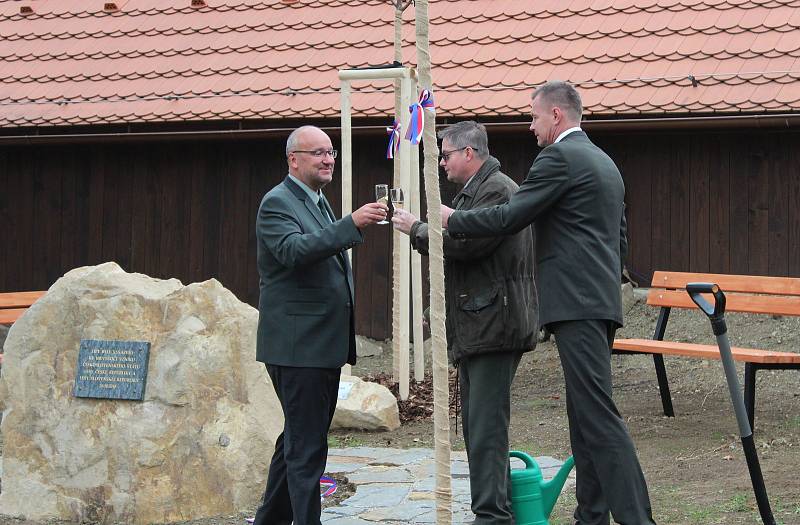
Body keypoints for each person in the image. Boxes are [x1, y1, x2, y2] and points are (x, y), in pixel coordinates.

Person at [442, 82, 656, 525]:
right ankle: (590, 516)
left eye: (534, 117)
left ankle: (638, 519)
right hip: (597, 303)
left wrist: (452, 218)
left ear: (556, 116)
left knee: (597, 416)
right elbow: (619, 239)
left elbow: (510, 217)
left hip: (575, 304)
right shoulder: (605, 162)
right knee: (584, 416)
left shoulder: (559, 157)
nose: (531, 125)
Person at [392, 121, 538, 525]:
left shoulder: (495, 190)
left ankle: (492, 516)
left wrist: (416, 229)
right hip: (485, 324)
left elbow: (466, 245)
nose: (441, 162)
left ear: (469, 154)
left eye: (446, 154)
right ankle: (494, 509)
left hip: (495, 324)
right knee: (479, 425)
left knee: (486, 426)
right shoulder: (481, 189)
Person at [253, 125, 387, 525]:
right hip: (298, 347)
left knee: (296, 439)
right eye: (318, 153)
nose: (328, 159)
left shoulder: (315, 200)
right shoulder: (276, 203)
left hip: (319, 345)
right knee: (307, 447)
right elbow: (293, 251)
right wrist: (352, 225)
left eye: (330, 152)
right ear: (294, 159)